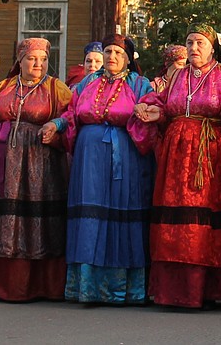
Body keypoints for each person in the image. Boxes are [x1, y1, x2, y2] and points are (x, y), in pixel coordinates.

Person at [134, 25, 221, 309]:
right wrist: (152, 111)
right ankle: (174, 290)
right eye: (189, 42)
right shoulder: (176, 77)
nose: (194, 48)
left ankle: (205, 289)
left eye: (200, 43)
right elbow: (163, 106)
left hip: (211, 158)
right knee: (175, 220)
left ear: (212, 47)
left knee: (206, 220)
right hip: (175, 159)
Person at [0, 38, 73, 302]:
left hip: (41, 165)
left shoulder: (57, 89)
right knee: (4, 220)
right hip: (2, 162)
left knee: (37, 221)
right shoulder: (3, 87)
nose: (38, 64)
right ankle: (1, 284)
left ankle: (41, 285)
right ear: (20, 60)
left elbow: (71, 123)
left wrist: (57, 135)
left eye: (43, 59)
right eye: (31, 58)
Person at [57, 35, 154, 304]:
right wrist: (57, 125)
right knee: (90, 213)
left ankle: (123, 289)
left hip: (125, 156)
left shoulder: (140, 84)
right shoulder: (86, 83)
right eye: (108, 51)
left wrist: (145, 113)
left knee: (121, 212)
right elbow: (71, 113)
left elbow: (152, 116)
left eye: (118, 53)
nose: (111, 57)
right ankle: (87, 287)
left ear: (128, 58)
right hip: (88, 160)